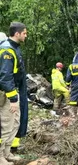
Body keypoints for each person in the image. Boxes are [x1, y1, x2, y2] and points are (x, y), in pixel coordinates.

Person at [0, 22, 28, 164]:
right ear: (16, 34)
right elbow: (5, 77)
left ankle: (7, 152)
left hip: (14, 91)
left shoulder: (14, 48)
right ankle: (0, 157)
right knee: (6, 123)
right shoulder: (7, 50)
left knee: (15, 122)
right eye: (24, 33)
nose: (26, 35)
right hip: (6, 93)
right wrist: (13, 98)